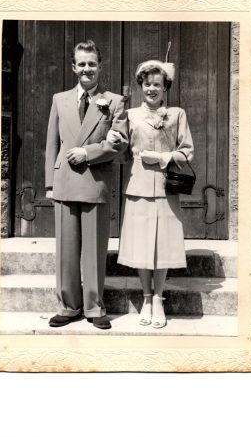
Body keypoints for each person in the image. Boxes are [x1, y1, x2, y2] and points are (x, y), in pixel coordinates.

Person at [45, 40, 128, 329]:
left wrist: (87, 153)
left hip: (95, 181)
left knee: (94, 249)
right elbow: (52, 143)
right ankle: (69, 306)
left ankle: (94, 307)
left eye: (92, 63)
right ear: (73, 67)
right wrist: (48, 183)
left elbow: (120, 144)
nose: (86, 69)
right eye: (81, 63)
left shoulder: (115, 101)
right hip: (65, 181)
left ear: (100, 67)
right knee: (66, 249)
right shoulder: (60, 99)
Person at [110, 60, 194, 328]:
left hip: (166, 189)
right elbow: (121, 154)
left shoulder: (177, 114)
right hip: (138, 187)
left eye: (157, 84)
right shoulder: (131, 115)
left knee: (163, 246)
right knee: (142, 245)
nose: (152, 88)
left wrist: (162, 156)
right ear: (141, 85)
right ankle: (146, 297)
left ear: (165, 86)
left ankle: (159, 298)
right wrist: (116, 142)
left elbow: (186, 152)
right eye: (147, 84)